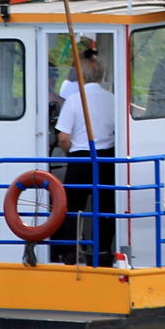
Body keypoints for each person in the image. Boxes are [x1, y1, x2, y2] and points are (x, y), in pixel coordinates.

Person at [53, 56, 117, 265]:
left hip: (80, 158)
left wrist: (69, 152)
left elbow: (63, 137)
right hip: (107, 158)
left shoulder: (73, 100)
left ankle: (72, 249)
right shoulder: (113, 99)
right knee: (106, 206)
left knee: (71, 206)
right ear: (102, 76)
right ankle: (103, 249)